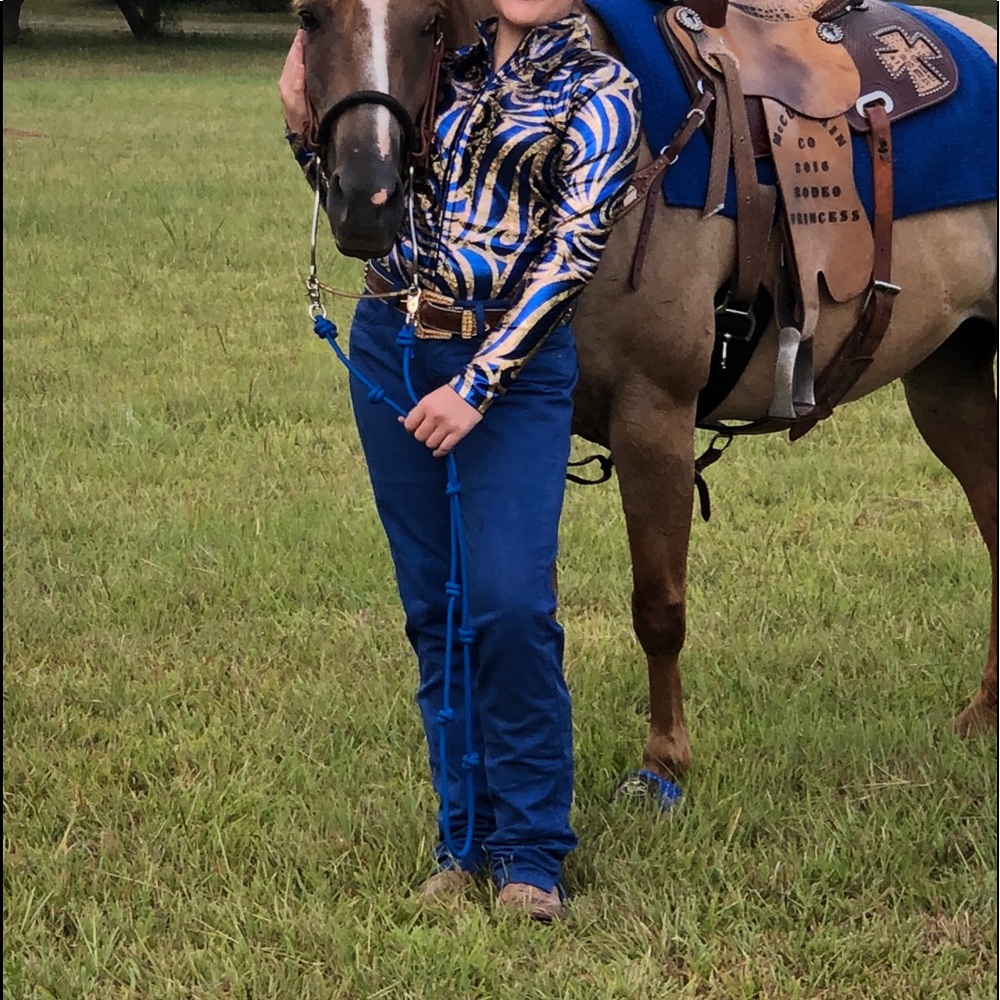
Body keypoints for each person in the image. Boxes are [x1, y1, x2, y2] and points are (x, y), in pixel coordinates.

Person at [279, 0, 640, 921]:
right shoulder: (432, 62)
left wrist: (477, 386)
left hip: (509, 373)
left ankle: (532, 852)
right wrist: (302, 96)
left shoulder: (602, 91)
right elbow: (358, 187)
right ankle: (462, 842)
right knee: (434, 609)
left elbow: (570, 257)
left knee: (511, 604)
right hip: (390, 347)